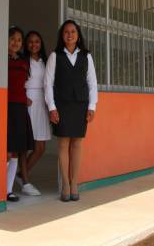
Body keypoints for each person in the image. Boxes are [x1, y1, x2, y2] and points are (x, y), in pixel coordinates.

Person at [44, 20, 98, 202]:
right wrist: (52, 107)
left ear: (78, 35)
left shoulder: (86, 56)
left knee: (77, 144)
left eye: (73, 31)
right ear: (62, 35)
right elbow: (48, 84)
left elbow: (92, 83)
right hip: (61, 105)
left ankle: (75, 183)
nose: (70, 35)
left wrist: (92, 106)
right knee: (63, 144)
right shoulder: (55, 56)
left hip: (80, 105)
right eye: (66, 32)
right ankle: (65, 184)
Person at [6, 26, 37, 202]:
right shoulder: (1, 59)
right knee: (6, 152)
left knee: (16, 152)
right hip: (6, 108)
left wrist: (25, 98)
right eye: (12, 39)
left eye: (18, 40)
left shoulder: (25, 62)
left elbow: (24, 85)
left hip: (20, 109)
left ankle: (8, 190)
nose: (15, 42)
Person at [22, 31, 51, 180]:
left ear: (41, 43)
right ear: (26, 44)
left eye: (37, 41)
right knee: (25, 145)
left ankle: (21, 174)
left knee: (40, 147)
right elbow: (17, 81)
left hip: (42, 102)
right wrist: (23, 97)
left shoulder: (45, 60)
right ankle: (24, 178)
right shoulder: (23, 60)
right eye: (31, 42)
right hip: (28, 101)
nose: (34, 44)